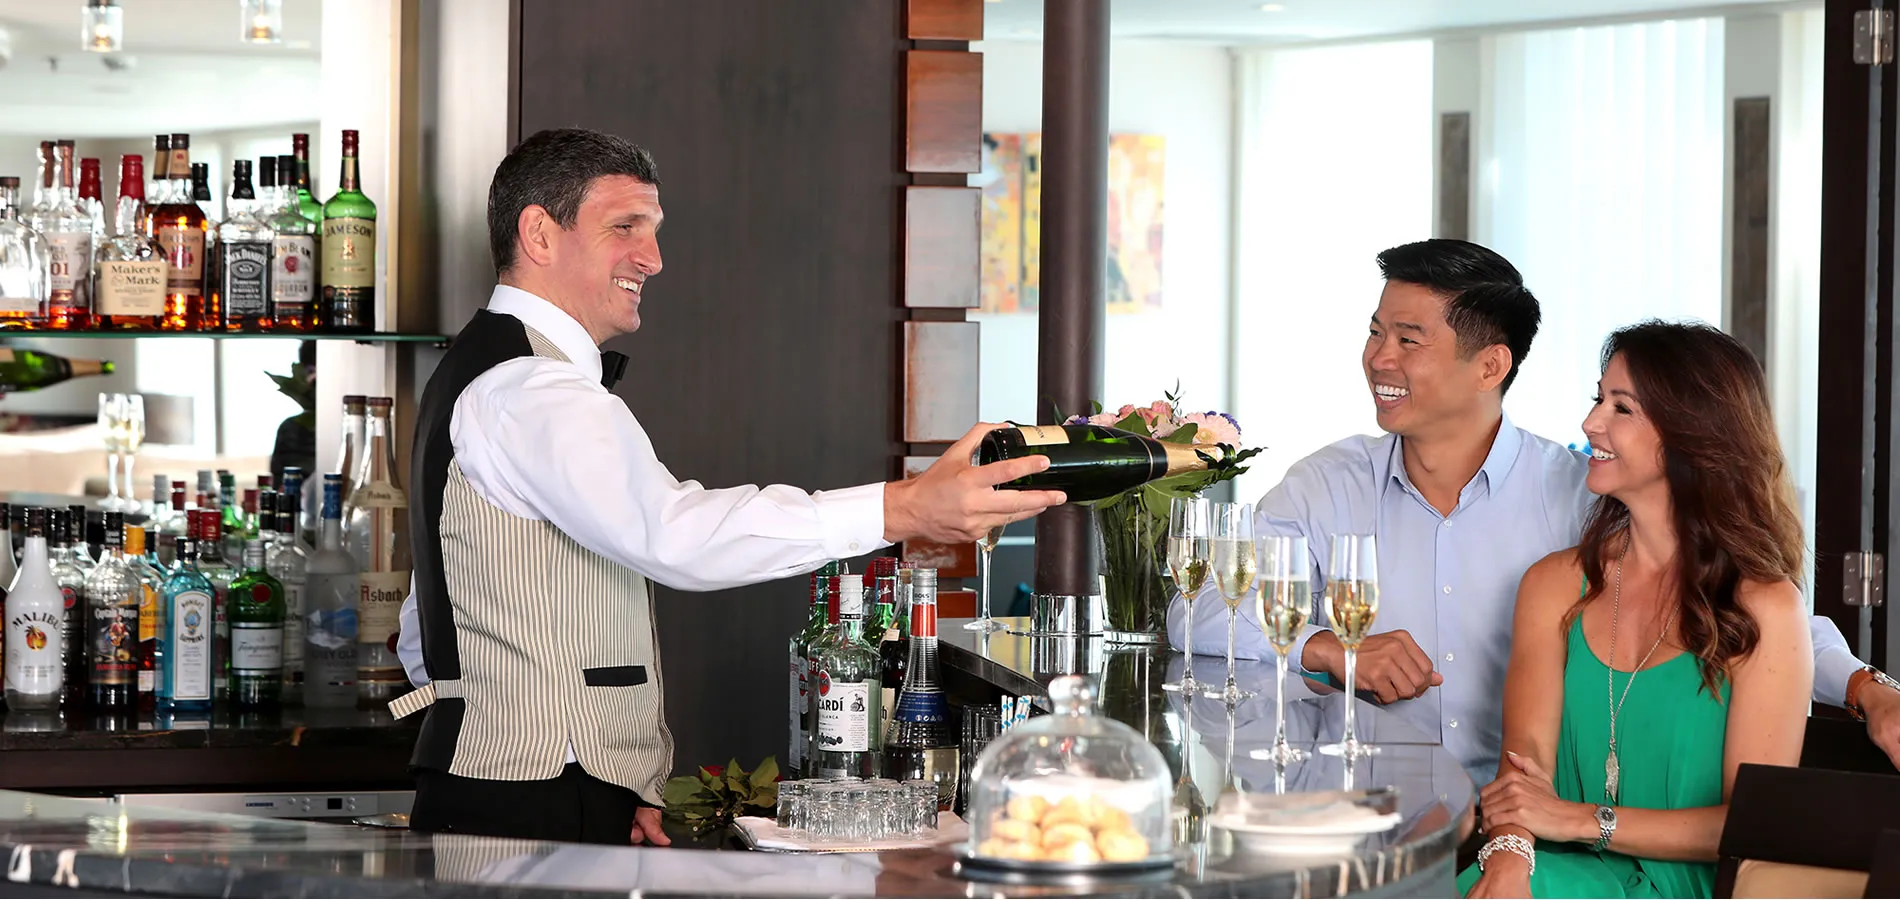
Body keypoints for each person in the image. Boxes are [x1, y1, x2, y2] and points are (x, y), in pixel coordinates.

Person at [389, 128, 1065, 847]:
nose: (653, 257)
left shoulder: (484, 369)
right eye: (626, 228)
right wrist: (902, 507)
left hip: (516, 788)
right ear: (539, 233)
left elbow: (427, 622)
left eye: (653, 231)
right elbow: (677, 535)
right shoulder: (531, 385)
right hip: (529, 803)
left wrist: (599, 773)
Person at [1167, 239, 1900, 790]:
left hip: (1529, 822)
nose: (1377, 358)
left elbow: (1749, 611)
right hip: (1367, 812)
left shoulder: (1585, 493)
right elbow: (1194, 607)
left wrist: (1868, 688)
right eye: (1375, 331)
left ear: (1491, 366)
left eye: (1408, 339)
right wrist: (1326, 646)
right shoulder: (1327, 484)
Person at [1460, 321, 1812, 898]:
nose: (1590, 423)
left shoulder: (1767, 608)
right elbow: (1522, 779)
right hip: (1546, 873)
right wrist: (1507, 860)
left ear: (1690, 434)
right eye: (1598, 398)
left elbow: (1751, 825)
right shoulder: (1552, 585)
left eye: (1621, 408)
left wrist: (1579, 820)